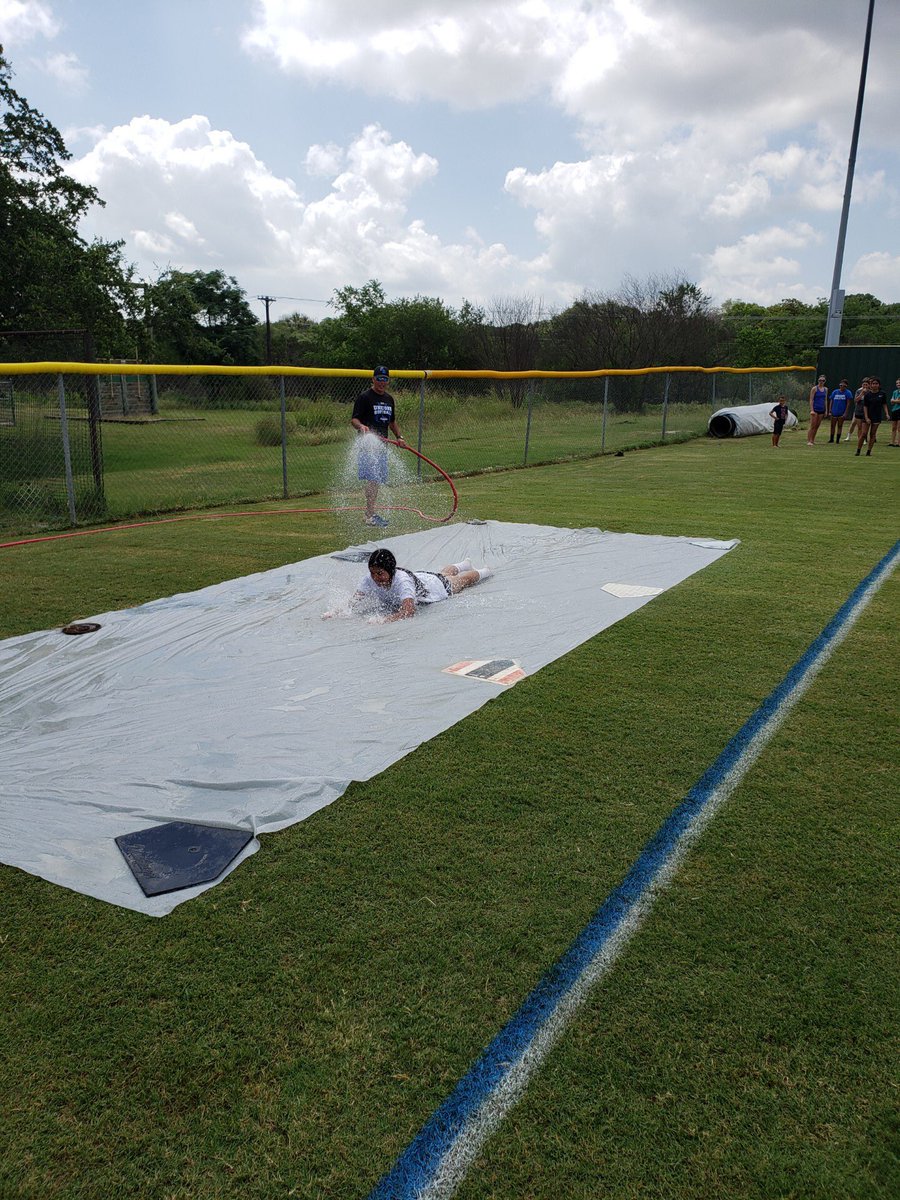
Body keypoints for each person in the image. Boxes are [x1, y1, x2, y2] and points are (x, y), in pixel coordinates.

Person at [329, 547, 493, 623]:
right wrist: (337, 612)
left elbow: (409, 611)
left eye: (380, 573)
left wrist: (384, 620)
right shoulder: (369, 579)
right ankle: (464, 563)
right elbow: (355, 600)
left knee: (461, 581)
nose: (375, 578)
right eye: (373, 573)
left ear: (390, 570)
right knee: (443, 573)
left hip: (435, 587)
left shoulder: (402, 582)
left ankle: (485, 571)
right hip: (422, 578)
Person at [350, 366, 405, 528]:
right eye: (379, 379)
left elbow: (392, 422)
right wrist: (361, 427)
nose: (382, 382)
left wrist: (399, 437)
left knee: (376, 480)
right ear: (373, 379)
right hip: (368, 446)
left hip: (382, 446)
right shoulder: (364, 397)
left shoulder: (389, 399)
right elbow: (354, 419)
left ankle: (370, 513)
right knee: (372, 479)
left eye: (385, 379)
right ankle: (369, 515)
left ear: (388, 381)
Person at [856, 377, 889, 457]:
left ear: (879, 385)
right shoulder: (867, 394)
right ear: (870, 385)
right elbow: (865, 406)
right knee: (863, 434)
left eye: (876, 384)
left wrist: (887, 413)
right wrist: (866, 417)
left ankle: (868, 451)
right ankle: (858, 450)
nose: (874, 385)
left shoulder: (882, 394)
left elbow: (884, 404)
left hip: (877, 416)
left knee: (873, 434)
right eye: (873, 383)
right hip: (867, 416)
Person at [827, 378, 853, 443]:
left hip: (841, 412)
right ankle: (831, 439)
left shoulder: (848, 393)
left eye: (844, 386)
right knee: (832, 425)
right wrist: (830, 410)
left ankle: (838, 439)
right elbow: (831, 401)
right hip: (834, 411)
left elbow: (848, 403)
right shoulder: (835, 392)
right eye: (841, 385)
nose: (842, 387)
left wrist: (845, 413)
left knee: (840, 425)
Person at [807, 374, 828, 445]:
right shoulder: (814, 389)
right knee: (813, 425)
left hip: (821, 409)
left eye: (823, 380)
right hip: (815, 409)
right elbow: (811, 400)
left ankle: (813, 440)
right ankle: (809, 441)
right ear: (818, 380)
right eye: (820, 380)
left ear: (825, 381)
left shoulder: (826, 389)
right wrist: (812, 410)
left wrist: (826, 410)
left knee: (817, 426)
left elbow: (825, 400)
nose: (821, 382)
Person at [846, 378, 869, 443]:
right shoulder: (859, 391)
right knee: (854, 423)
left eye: (866, 384)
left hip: (866, 411)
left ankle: (864, 439)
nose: (865, 386)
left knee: (864, 425)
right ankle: (850, 436)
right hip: (858, 410)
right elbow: (856, 400)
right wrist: (862, 393)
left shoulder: (870, 392)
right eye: (863, 384)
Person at [890, 378, 900, 447]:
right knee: (893, 427)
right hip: (894, 410)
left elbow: (895, 401)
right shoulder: (895, 392)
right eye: (897, 383)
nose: (898, 384)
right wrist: (895, 401)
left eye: (899, 383)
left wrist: (895, 401)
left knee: (899, 427)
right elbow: (892, 402)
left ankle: (898, 442)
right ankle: (892, 442)